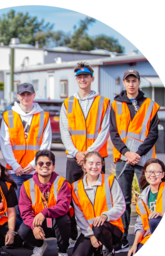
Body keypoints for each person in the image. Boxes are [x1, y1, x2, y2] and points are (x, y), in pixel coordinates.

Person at [59, 62, 111, 243]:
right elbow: (64, 131)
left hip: (96, 158)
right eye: (79, 77)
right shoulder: (67, 103)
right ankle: (74, 233)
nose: (83, 79)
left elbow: (105, 130)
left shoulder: (103, 102)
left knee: (97, 195)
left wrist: (89, 154)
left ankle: (97, 231)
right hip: (74, 158)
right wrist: (76, 153)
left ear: (92, 78)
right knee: (72, 196)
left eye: (86, 76)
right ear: (76, 79)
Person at [110, 69, 160, 253]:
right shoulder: (115, 105)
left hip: (144, 159)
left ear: (139, 82)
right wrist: (126, 153)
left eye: (134, 80)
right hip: (124, 159)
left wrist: (137, 153)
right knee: (123, 198)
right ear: (124, 83)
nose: (131, 84)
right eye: (128, 81)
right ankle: (123, 237)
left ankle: (148, 233)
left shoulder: (150, 105)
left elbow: (153, 133)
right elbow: (114, 133)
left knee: (148, 197)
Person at [0, 83, 52, 237]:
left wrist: (32, 165)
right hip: (14, 170)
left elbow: (46, 144)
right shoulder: (8, 115)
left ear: (34, 96)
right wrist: (15, 166)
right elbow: (5, 143)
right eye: (22, 95)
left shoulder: (44, 116)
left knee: (34, 204)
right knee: (15, 205)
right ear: (18, 96)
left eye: (29, 94)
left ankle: (31, 236)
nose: (26, 97)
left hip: (34, 170)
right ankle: (17, 236)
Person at [18, 150, 72, 256]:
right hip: (39, 223)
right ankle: (40, 245)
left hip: (56, 221)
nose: (44, 166)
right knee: (23, 230)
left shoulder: (62, 183)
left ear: (53, 167)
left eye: (48, 163)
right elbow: (25, 211)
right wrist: (34, 227)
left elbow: (63, 206)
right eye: (41, 163)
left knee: (64, 219)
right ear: (36, 167)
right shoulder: (27, 185)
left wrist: (45, 212)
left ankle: (62, 251)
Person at [71, 151, 126, 256]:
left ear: (102, 165)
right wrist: (91, 236)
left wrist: (105, 215)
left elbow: (121, 205)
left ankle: (109, 251)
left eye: (98, 164)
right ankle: (98, 248)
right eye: (91, 163)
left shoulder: (110, 180)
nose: (94, 167)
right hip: (91, 229)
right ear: (84, 165)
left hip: (111, 228)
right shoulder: (76, 187)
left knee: (99, 226)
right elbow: (79, 215)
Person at [128, 159, 165, 256]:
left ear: (162, 174)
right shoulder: (142, 198)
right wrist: (134, 245)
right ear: (145, 174)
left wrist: (163, 214)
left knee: (155, 220)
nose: (152, 175)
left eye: (157, 172)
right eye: (149, 172)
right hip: (150, 235)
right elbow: (140, 224)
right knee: (135, 253)